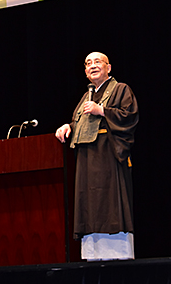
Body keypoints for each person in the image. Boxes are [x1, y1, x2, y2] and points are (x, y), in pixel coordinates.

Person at [55, 52, 139, 261]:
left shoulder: (121, 89)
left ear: (108, 67)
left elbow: (130, 116)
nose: (93, 66)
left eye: (97, 62)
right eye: (88, 63)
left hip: (107, 155)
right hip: (87, 157)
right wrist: (69, 126)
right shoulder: (87, 95)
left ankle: (117, 255)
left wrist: (102, 110)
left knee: (109, 201)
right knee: (88, 203)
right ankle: (92, 255)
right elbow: (82, 124)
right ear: (85, 71)